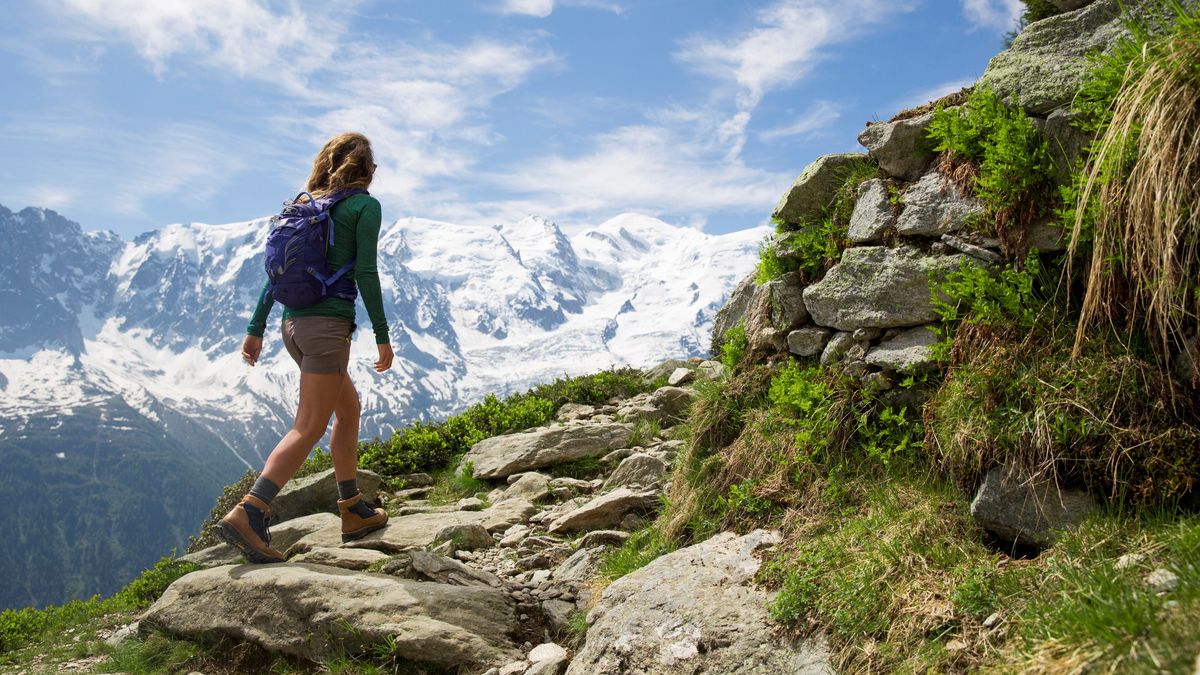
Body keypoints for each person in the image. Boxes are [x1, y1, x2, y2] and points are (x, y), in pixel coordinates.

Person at [215, 132, 394, 564]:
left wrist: (256, 327)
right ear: (367, 170)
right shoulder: (363, 206)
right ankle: (250, 511)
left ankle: (353, 510)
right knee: (309, 425)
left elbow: (273, 274)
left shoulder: (304, 207)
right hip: (327, 327)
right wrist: (383, 335)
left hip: (292, 325)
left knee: (347, 411)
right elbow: (366, 272)